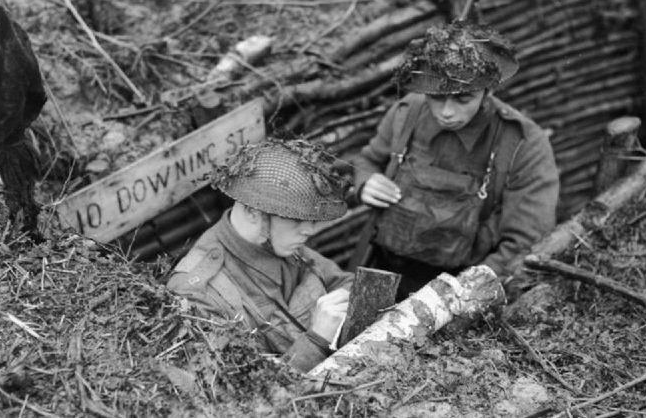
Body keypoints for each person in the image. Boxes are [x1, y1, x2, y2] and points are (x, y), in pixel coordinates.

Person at [351, 21, 560, 301]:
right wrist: (366, 182)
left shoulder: (523, 143)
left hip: (461, 287)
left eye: (463, 98)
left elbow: (525, 243)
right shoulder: (407, 112)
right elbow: (367, 160)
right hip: (384, 270)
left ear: (489, 91)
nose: (447, 112)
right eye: (437, 97)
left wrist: (460, 297)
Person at [167, 138, 353, 372]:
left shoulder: (279, 242)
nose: (309, 230)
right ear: (254, 212)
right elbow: (240, 391)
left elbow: (346, 283)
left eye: (312, 220)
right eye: (296, 219)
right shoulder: (197, 293)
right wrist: (316, 341)